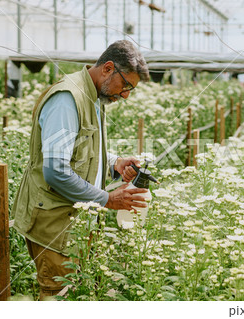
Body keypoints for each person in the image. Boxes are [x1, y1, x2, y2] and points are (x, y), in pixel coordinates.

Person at [12, 40, 150, 300]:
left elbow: (80, 152)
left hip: (74, 220)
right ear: (108, 68)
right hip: (55, 224)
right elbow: (56, 170)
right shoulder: (67, 100)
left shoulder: (93, 97)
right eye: (126, 86)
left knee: (78, 293)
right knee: (58, 296)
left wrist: (114, 164)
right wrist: (108, 199)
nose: (126, 95)